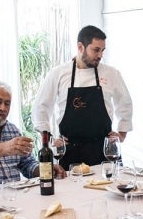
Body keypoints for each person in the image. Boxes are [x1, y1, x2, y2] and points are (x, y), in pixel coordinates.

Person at [32, 25, 133, 167]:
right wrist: (49, 138)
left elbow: (125, 104)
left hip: (104, 151)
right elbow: (41, 107)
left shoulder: (111, 73)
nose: (100, 55)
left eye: (102, 50)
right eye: (96, 50)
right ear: (80, 47)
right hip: (70, 152)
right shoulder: (59, 73)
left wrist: (121, 134)